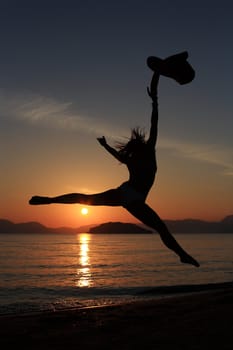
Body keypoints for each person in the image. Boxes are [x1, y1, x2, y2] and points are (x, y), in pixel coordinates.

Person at [29, 70, 200, 267]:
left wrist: (105, 146)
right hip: (133, 198)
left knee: (84, 198)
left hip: (123, 193)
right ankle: (182, 255)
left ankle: (49, 200)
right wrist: (154, 101)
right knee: (161, 228)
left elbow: (122, 151)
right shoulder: (148, 150)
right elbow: (155, 123)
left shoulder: (134, 158)